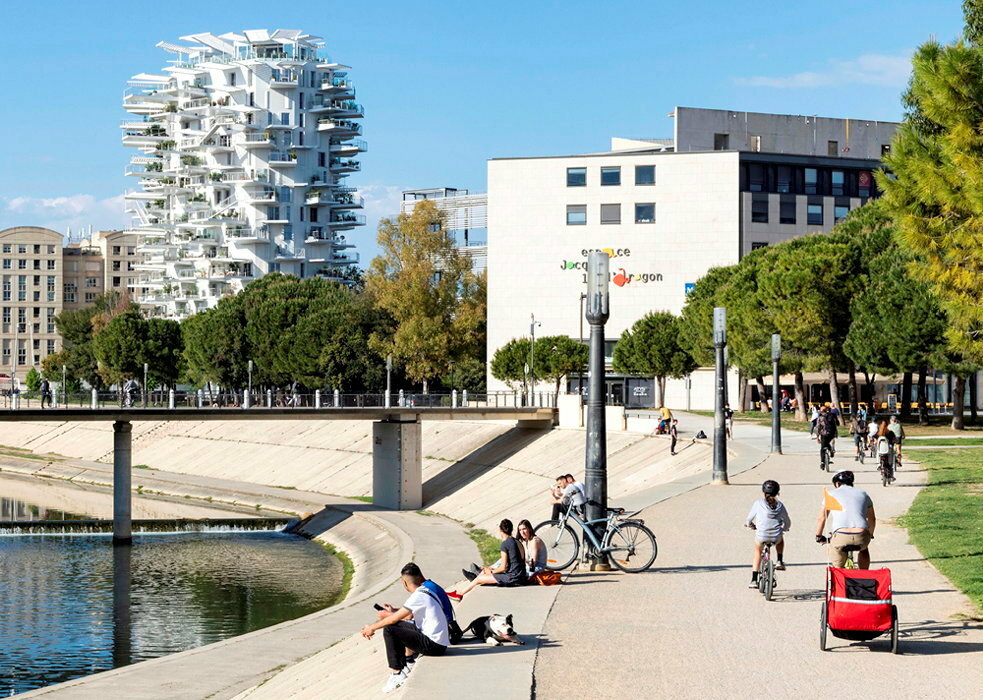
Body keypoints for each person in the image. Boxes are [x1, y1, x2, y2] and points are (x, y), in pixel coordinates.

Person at [361, 562, 449, 693]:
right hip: (437, 641)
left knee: (390, 628)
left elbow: (394, 618)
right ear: (420, 577)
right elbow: (407, 615)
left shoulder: (418, 596)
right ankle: (407, 663)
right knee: (394, 625)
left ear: (404, 583)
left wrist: (372, 628)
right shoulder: (426, 590)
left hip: (434, 646)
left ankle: (397, 674)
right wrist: (393, 612)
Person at [447, 519, 527, 600]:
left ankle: (460, 594)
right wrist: (491, 569)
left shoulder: (505, 544)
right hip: (521, 576)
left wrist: (491, 571)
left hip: (513, 578)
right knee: (485, 571)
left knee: (479, 579)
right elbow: (514, 563)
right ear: (512, 529)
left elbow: (503, 567)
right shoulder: (517, 541)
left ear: (500, 530)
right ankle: (473, 580)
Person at [815, 471, 876, 569]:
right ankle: (864, 573)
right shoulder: (863, 494)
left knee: (837, 555)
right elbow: (872, 519)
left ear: (837, 483)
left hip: (841, 536)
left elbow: (821, 519)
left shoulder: (830, 494)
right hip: (861, 535)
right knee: (864, 549)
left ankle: (839, 574)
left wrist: (818, 536)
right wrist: (870, 534)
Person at [745, 480, 791, 588]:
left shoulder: (758, 503)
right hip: (776, 536)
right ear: (777, 492)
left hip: (761, 535)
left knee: (758, 551)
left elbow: (749, 519)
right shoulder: (780, 505)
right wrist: (785, 528)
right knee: (780, 541)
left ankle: (754, 580)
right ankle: (779, 560)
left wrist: (750, 525)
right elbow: (787, 521)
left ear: (763, 492)